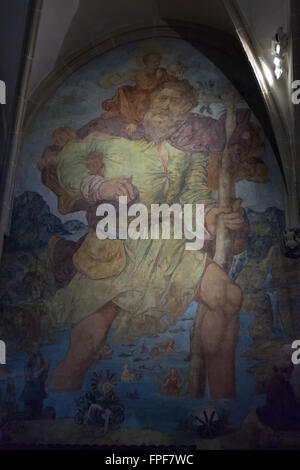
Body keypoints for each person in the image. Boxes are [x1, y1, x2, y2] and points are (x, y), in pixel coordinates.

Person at [46, 80, 248, 400]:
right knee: (88, 342)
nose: (165, 107)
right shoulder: (115, 139)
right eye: (161, 99)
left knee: (228, 296)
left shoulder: (187, 156)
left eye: (176, 103)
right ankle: (53, 415)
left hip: (166, 247)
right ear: (149, 104)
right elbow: (70, 156)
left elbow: (193, 196)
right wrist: (98, 186)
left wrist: (213, 214)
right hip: (116, 247)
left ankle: (225, 401)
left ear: (186, 113)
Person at [100, 50, 177, 135]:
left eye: (158, 60)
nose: (156, 63)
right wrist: (157, 77)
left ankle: (133, 120)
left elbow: (169, 79)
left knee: (151, 100)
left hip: (155, 93)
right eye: (153, 61)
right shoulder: (141, 73)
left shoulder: (162, 70)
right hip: (140, 92)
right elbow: (146, 86)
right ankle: (121, 114)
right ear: (146, 62)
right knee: (124, 90)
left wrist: (174, 76)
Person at [21, 342, 50, 419]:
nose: (37, 349)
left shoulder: (40, 357)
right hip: (31, 386)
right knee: (31, 406)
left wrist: (46, 372)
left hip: (39, 385)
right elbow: (30, 376)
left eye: (38, 347)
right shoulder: (29, 359)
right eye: (35, 347)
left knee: (39, 404)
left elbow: (44, 371)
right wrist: (44, 368)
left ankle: (38, 417)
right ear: (31, 349)